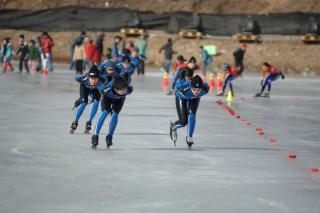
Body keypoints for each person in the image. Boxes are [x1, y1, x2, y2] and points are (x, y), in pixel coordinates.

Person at [91, 76, 133, 149]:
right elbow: (97, 90)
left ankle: (110, 136)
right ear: (116, 89)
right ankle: (95, 135)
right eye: (122, 90)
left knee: (115, 114)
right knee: (104, 113)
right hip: (107, 98)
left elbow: (127, 88)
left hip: (119, 100)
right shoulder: (106, 89)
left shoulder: (129, 90)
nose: (125, 91)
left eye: (125, 89)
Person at [170, 75, 209, 148]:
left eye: (198, 90)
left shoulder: (205, 88)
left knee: (192, 114)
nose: (196, 92)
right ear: (190, 87)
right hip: (181, 98)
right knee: (183, 122)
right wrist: (185, 80)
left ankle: (189, 137)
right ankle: (173, 126)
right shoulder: (184, 87)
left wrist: (193, 95)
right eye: (194, 89)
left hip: (194, 99)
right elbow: (176, 84)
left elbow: (206, 85)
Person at [70, 65, 105, 134]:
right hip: (85, 88)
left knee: (96, 102)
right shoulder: (84, 79)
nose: (93, 81)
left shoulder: (102, 81)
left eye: (95, 79)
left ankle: (89, 121)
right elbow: (76, 78)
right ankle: (75, 121)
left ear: (99, 78)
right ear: (88, 77)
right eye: (91, 78)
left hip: (95, 90)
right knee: (84, 102)